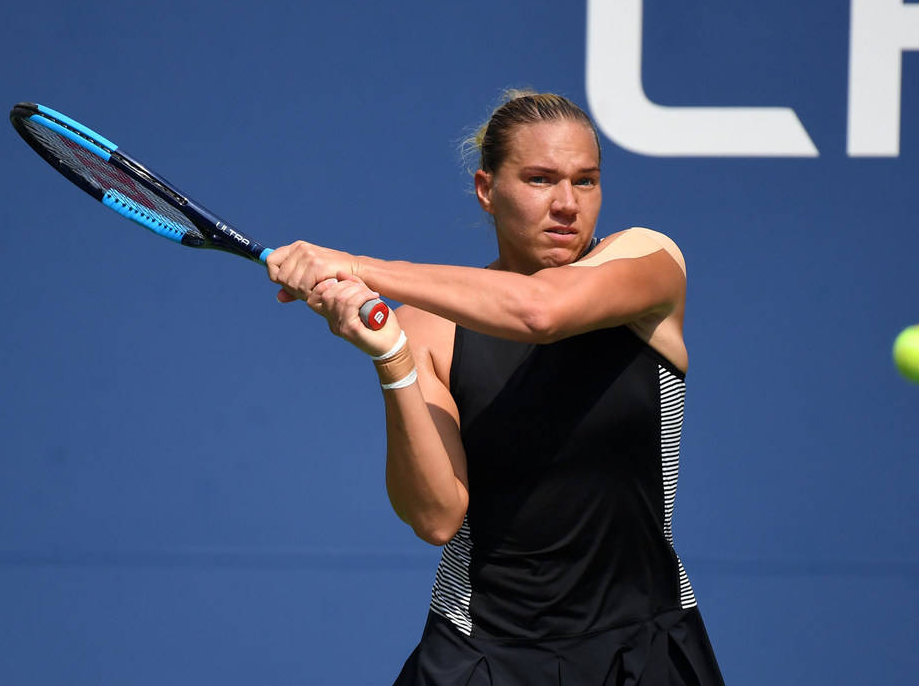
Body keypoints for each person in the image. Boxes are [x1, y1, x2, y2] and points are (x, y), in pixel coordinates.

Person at [266, 90, 725, 685]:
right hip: (480, 657)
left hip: (646, 650)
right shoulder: (426, 330)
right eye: (539, 179)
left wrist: (357, 266)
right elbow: (435, 517)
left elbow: (540, 313)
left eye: (585, 182)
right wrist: (393, 359)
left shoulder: (648, 261)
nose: (567, 204)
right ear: (488, 189)